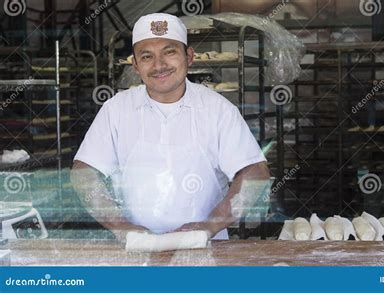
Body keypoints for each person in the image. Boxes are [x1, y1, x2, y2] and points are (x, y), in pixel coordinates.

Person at [70, 13, 270, 241]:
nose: (159, 65)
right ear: (135, 65)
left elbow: (255, 172)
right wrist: (121, 226)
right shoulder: (116, 110)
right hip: (135, 248)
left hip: (204, 247)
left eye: (170, 52)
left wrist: (209, 226)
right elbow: (84, 174)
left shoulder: (218, 110)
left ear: (189, 56)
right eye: (147, 56)